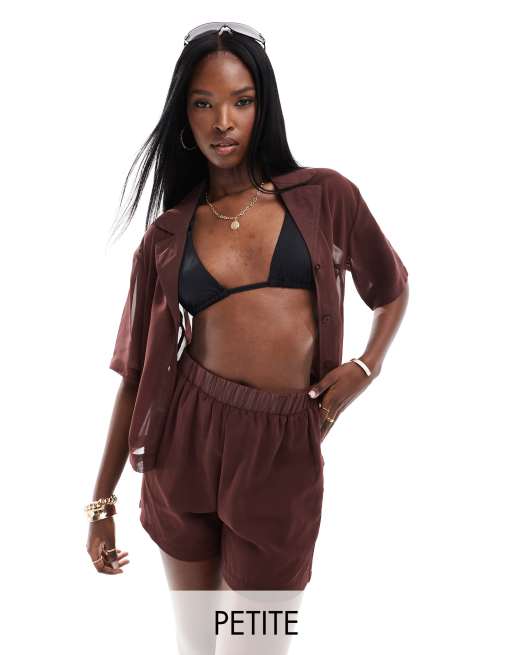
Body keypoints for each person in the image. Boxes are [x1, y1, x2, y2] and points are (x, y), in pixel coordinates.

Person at [85, 21, 409, 653]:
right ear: (184, 117)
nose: (223, 122)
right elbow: (135, 376)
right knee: (199, 643)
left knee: (257, 643)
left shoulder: (325, 196)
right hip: (186, 439)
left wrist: (367, 367)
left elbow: (391, 288)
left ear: (264, 107)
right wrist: (101, 505)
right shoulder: (167, 237)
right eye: (203, 104)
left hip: (281, 448)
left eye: (241, 101)